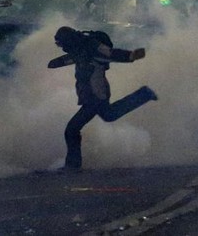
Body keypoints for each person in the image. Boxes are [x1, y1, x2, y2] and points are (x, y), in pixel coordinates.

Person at [48, 26, 158, 172]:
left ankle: (73, 165)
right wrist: (55, 63)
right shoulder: (79, 50)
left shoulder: (91, 47)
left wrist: (131, 55)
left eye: (61, 43)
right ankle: (144, 94)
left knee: (72, 129)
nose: (62, 47)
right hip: (91, 96)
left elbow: (111, 54)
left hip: (96, 95)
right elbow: (68, 59)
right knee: (109, 115)